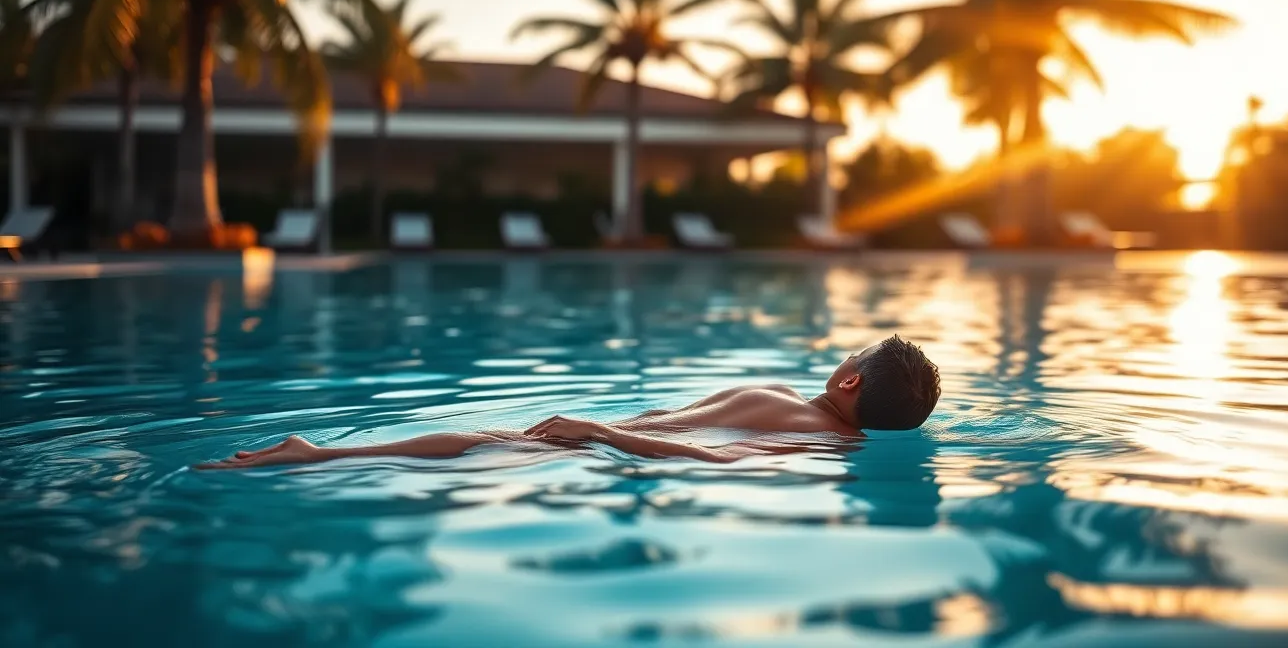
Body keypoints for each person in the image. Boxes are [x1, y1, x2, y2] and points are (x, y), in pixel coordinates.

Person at [195, 334, 940, 470]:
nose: (846, 351)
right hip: (607, 435)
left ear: (849, 382)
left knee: (485, 441)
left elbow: (712, 456)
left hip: (602, 442)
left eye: (856, 351)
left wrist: (604, 432)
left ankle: (322, 454)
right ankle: (323, 454)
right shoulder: (798, 407)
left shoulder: (829, 438)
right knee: (488, 442)